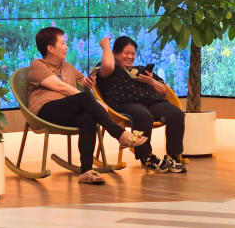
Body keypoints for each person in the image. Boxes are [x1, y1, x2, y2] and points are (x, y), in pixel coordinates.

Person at [26, 27, 147, 185]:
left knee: (87, 118)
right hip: (44, 111)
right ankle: (120, 134)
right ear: (50, 48)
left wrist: (89, 84)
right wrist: (95, 102)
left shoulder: (66, 66)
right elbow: (61, 87)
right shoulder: (38, 65)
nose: (66, 47)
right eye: (62, 43)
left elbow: (84, 81)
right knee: (83, 98)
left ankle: (86, 171)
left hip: (65, 111)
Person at [92, 36, 187, 173]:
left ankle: (173, 156)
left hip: (152, 102)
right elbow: (108, 65)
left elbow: (163, 90)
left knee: (176, 114)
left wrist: (151, 82)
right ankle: (146, 157)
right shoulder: (109, 70)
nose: (130, 57)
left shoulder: (142, 69)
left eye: (133, 54)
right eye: (126, 53)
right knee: (143, 115)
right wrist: (105, 46)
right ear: (115, 53)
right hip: (125, 105)